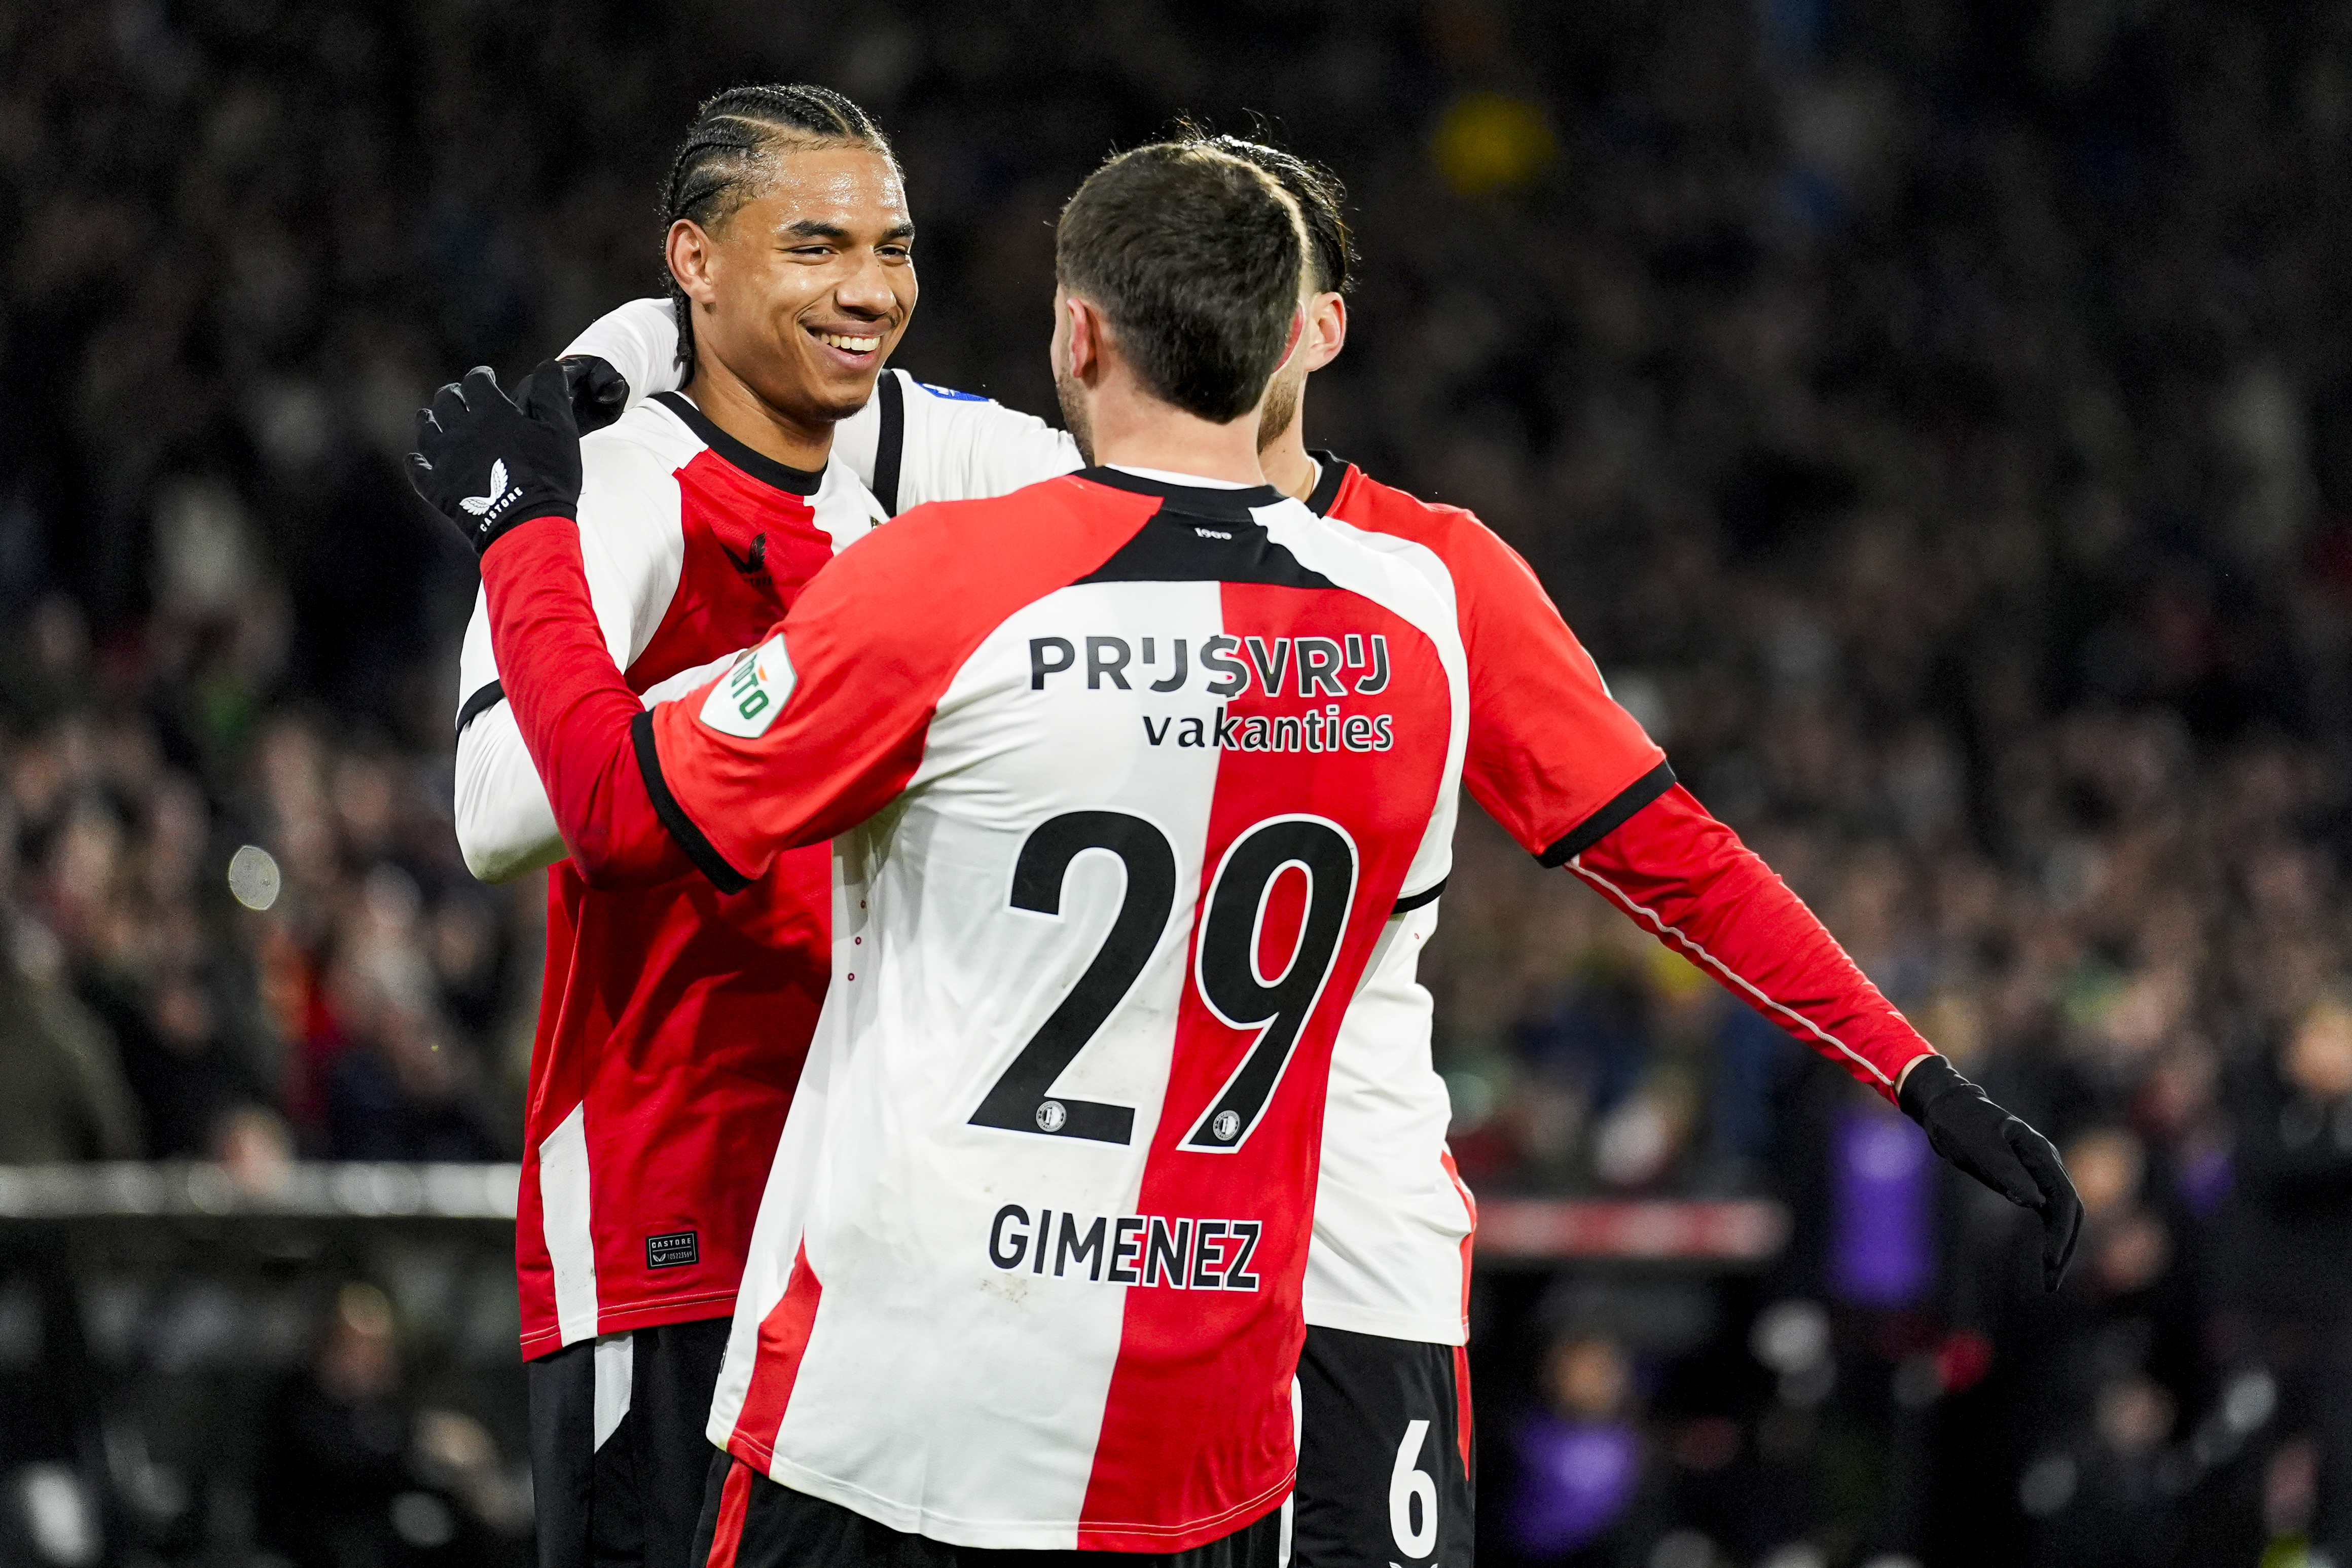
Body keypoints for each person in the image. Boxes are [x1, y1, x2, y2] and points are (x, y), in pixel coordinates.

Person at [553, 131, 2087, 1568]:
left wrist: (1909, 1067)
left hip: (1337, 1281)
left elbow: (1670, 854)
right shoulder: (1061, 529)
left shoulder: (1429, 580)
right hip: (1088, 1312)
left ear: (1311, 331)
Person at [414, 138, 1466, 1564]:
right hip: (1207, 1408)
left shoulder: (955, 587)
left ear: (1075, 335)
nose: (869, 287)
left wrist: (524, 530)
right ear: (1298, 338)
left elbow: (593, 804)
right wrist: (642, 346)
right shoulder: (1411, 630)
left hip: (915, 1383)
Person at [441, 82, 1021, 1568]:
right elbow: (498, 809)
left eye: (894, 248)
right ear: (697, 260)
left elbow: (1119, 471)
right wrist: (790, 689)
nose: (872, 290)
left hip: (854, 1245)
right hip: (668, 1224)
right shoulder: (622, 482)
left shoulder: (888, 484)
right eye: (816, 245)